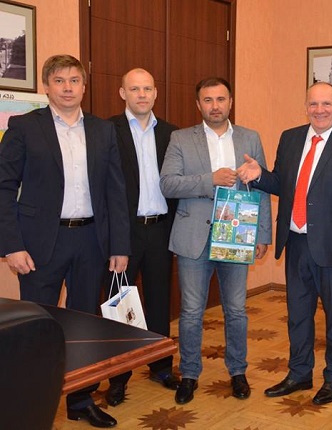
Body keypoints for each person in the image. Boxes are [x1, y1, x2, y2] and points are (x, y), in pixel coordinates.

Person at [0, 54, 130, 428]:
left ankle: (81, 400)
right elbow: (3, 187)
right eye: (59, 80)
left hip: (91, 241)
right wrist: (11, 245)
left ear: (84, 86)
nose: (67, 87)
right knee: (36, 326)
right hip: (39, 244)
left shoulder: (104, 131)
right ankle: (32, 404)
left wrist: (119, 245)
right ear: (47, 86)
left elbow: (115, 192)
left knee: (84, 324)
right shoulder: (24, 127)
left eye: (74, 80)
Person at [236, 82, 332, 405]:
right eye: (313, 104)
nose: (319, 110)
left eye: (326, 104)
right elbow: (283, 184)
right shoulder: (291, 138)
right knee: (297, 315)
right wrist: (259, 175)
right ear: (306, 107)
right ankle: (299, 373)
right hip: (296, 242)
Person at [159, 77, 271, 405]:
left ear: (230, 102)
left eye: (221, 99)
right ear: (198, 105)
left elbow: (262, 187)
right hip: (194, 236)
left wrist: (262, 233)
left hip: (237, 234)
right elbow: (168, 184)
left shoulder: (250, 137)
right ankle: (189, 374)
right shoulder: (181, 138)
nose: (215, 106)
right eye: (208, 100)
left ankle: (238, 371)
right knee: (191, 311)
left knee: (236, 309)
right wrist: (210, 180)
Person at [105, 68, 181, 407]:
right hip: (124, 232)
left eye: (147, 89)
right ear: (123, 93)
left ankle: (161, 366)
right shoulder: (107, 130)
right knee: (119, 306)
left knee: (160, 301)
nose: (141, 95)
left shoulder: (171, 133)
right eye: (134, 89)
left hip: (161, 229)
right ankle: (118, 377)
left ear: (155, 93)